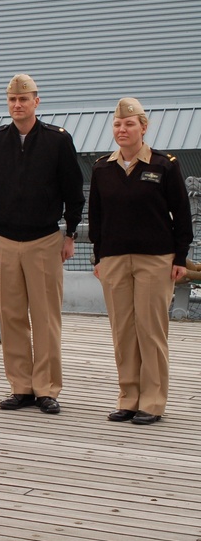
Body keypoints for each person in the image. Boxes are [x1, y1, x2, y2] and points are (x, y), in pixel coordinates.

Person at [0, 74, 84, 415]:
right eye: (12, 100)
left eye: (23, 99)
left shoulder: (57, 140)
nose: (17, 105)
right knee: (10, 317)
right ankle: (20, 386)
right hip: (6, 240)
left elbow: (73, 190)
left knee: (45, 318)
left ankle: (47, 388)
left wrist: (69, 234)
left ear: (36, 102)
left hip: (44, 240)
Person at [89, 97, 192, 426]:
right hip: (115, 259)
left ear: (143, 128)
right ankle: (128, 398)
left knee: (150, 331)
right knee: (123, 331)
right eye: (118, 124)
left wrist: (180, 257)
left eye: (129, 124)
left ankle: (152, 401)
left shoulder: (164, 166)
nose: (122, 129)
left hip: (155, 259)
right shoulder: (103, 168)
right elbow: (97, 218)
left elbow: (183, 216)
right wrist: (98, 256)